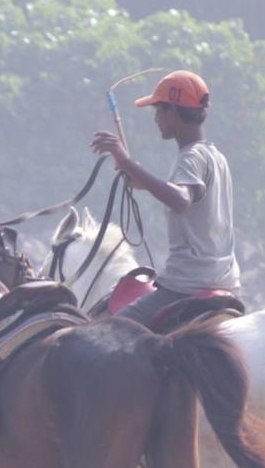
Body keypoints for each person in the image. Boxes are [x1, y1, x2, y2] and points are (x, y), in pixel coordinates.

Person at [89, 69, 241, 328]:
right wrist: (138, 179)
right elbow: (182, 194)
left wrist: (125, 161)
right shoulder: (216, 156)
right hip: (226, 283)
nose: (156, 119)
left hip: (187, 285)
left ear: (173, 111)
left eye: (158, 111)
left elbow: (181, 199)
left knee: (110, 332)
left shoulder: (190, 157)